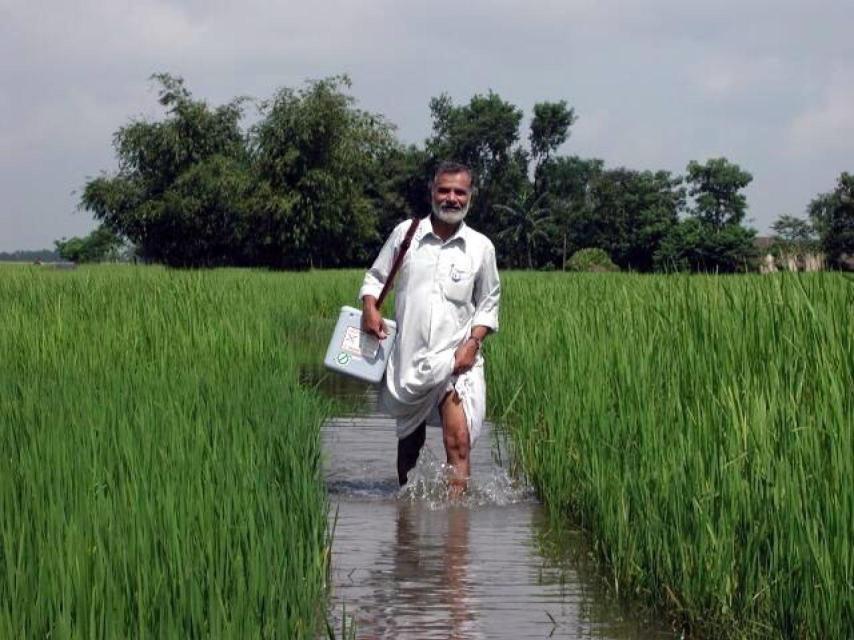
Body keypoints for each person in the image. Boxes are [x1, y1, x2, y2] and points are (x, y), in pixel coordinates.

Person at [359, 161, 500, 494]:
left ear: (470, 196)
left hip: (456, 360)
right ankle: (405, 514)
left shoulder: (481, 247)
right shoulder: (407, 234)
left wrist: (473, 343)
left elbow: (489, 303)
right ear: (431, 192)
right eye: (444, 190)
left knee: (458, 441)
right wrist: (369, 307)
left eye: (459, 192)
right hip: (410, 359)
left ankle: (457, 519)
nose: (451, 198)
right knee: (410, 445)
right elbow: (375, 277)